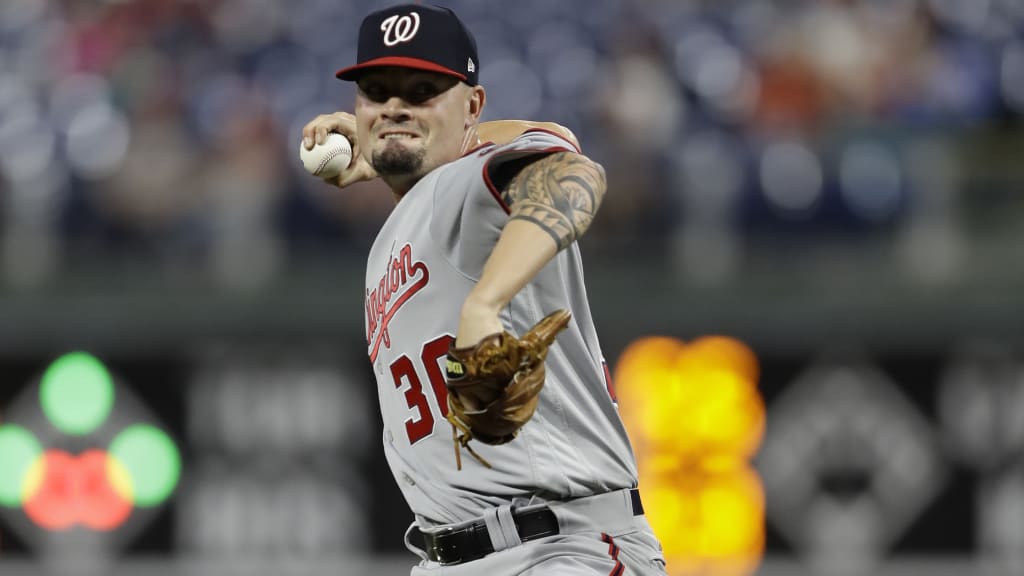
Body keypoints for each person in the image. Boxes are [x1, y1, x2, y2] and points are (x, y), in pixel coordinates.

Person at [301, 4, 666, 575]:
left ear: (472, 107)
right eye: (377, 92)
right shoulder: (390, 241)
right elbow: (552, 137)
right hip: (449, 557)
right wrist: (398, 143)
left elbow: (575, 174)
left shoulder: (465, 189)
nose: (395, 105)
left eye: (422, 91)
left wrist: (486, 301)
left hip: (558, 549)